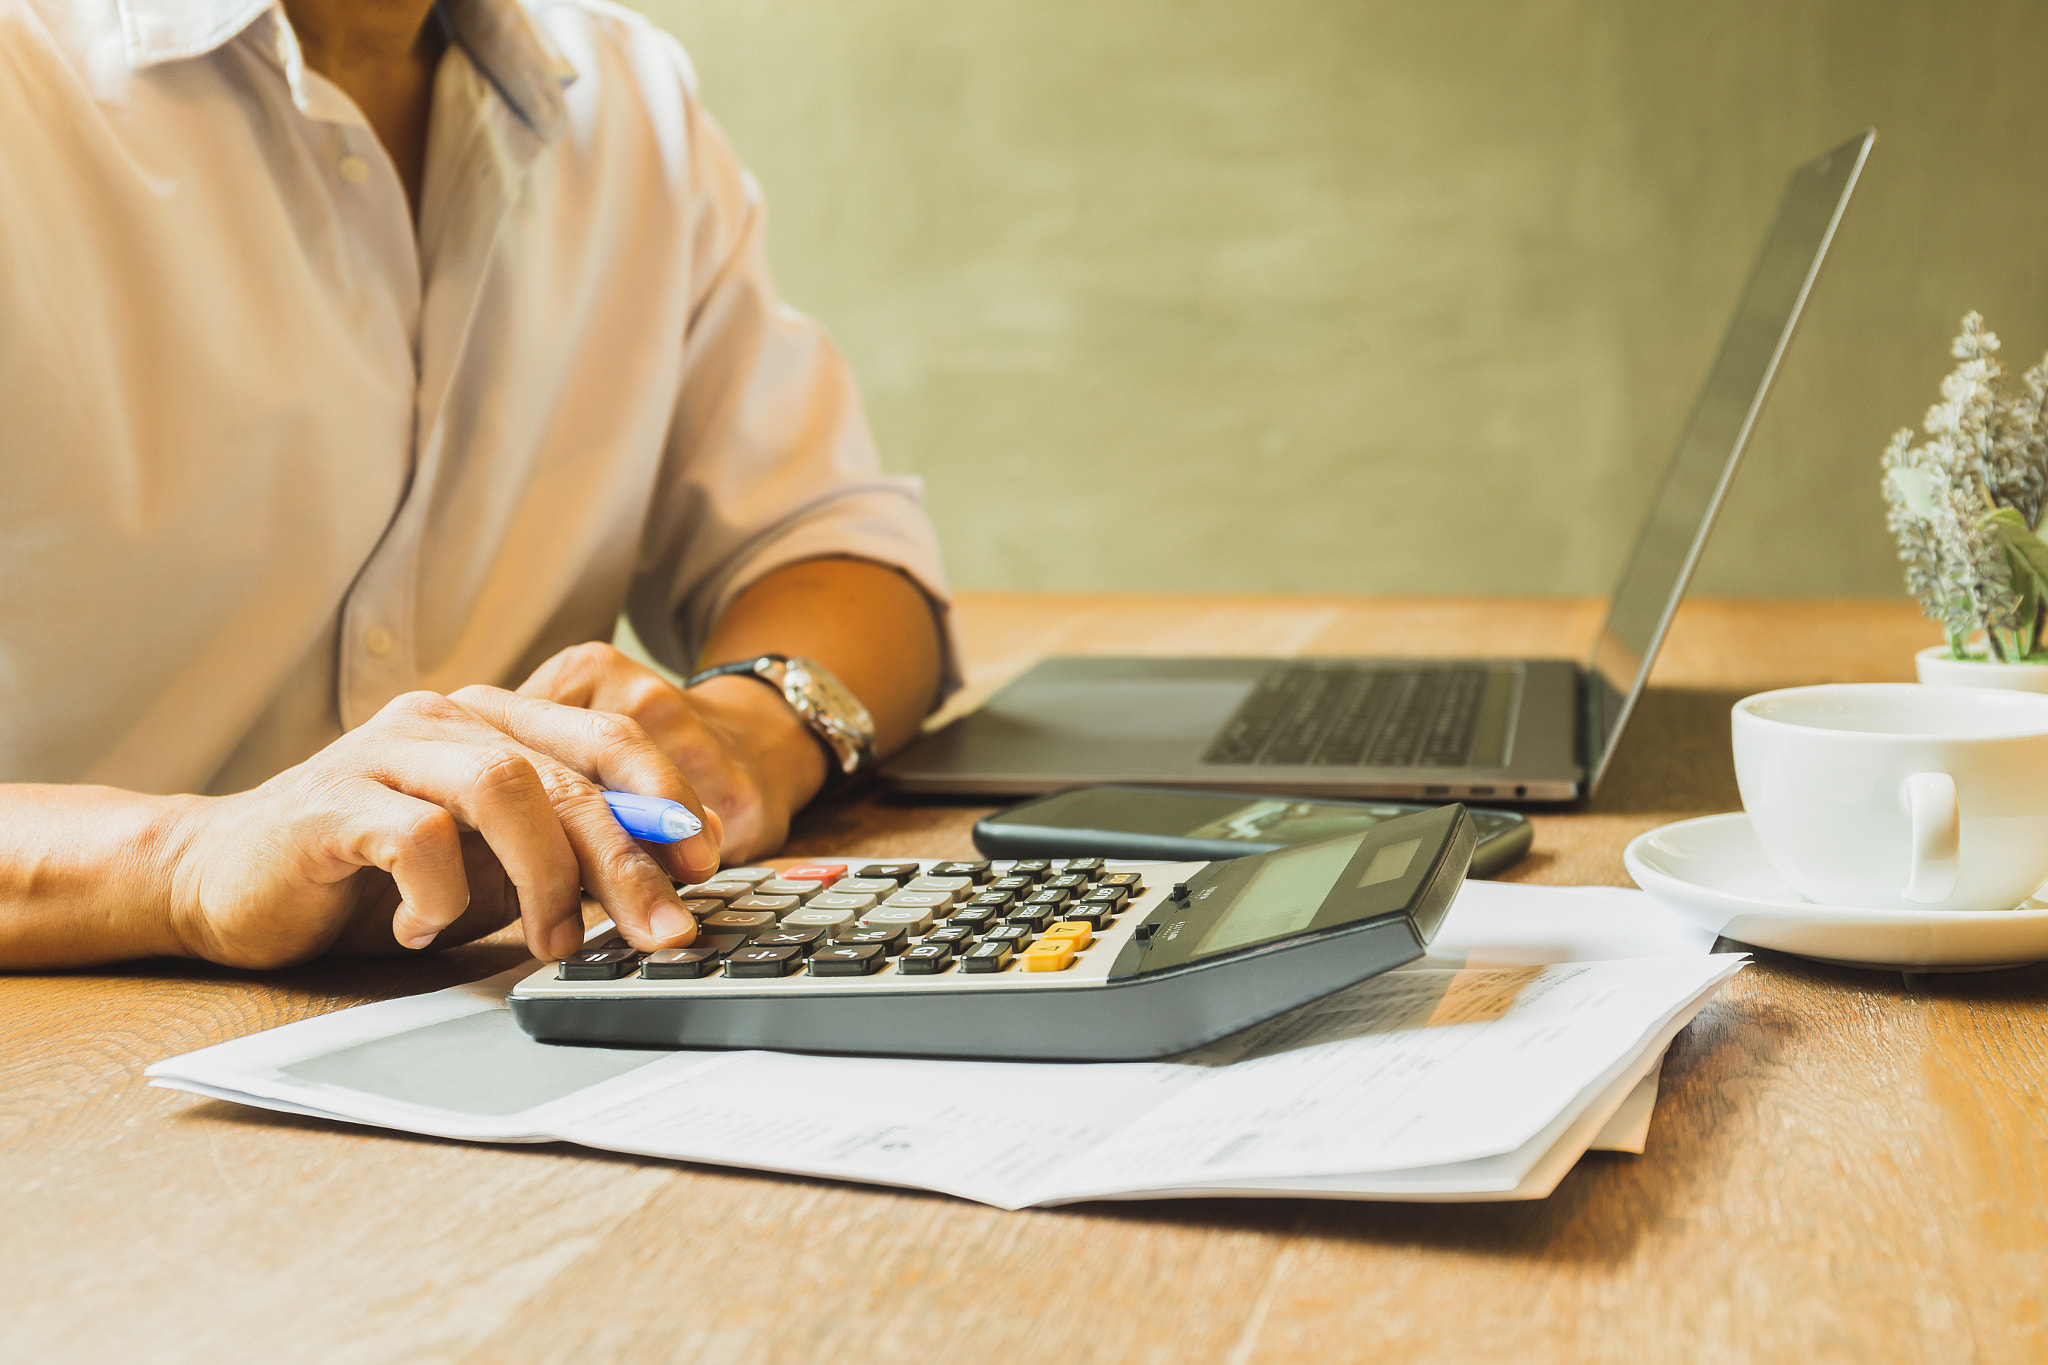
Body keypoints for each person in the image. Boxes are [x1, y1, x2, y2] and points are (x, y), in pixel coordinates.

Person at [0, 0, 952, 971]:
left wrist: (751, 728)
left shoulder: (625, 94)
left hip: (501, 987)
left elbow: (830, 545)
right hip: (66, 1054)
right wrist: (184, 865)